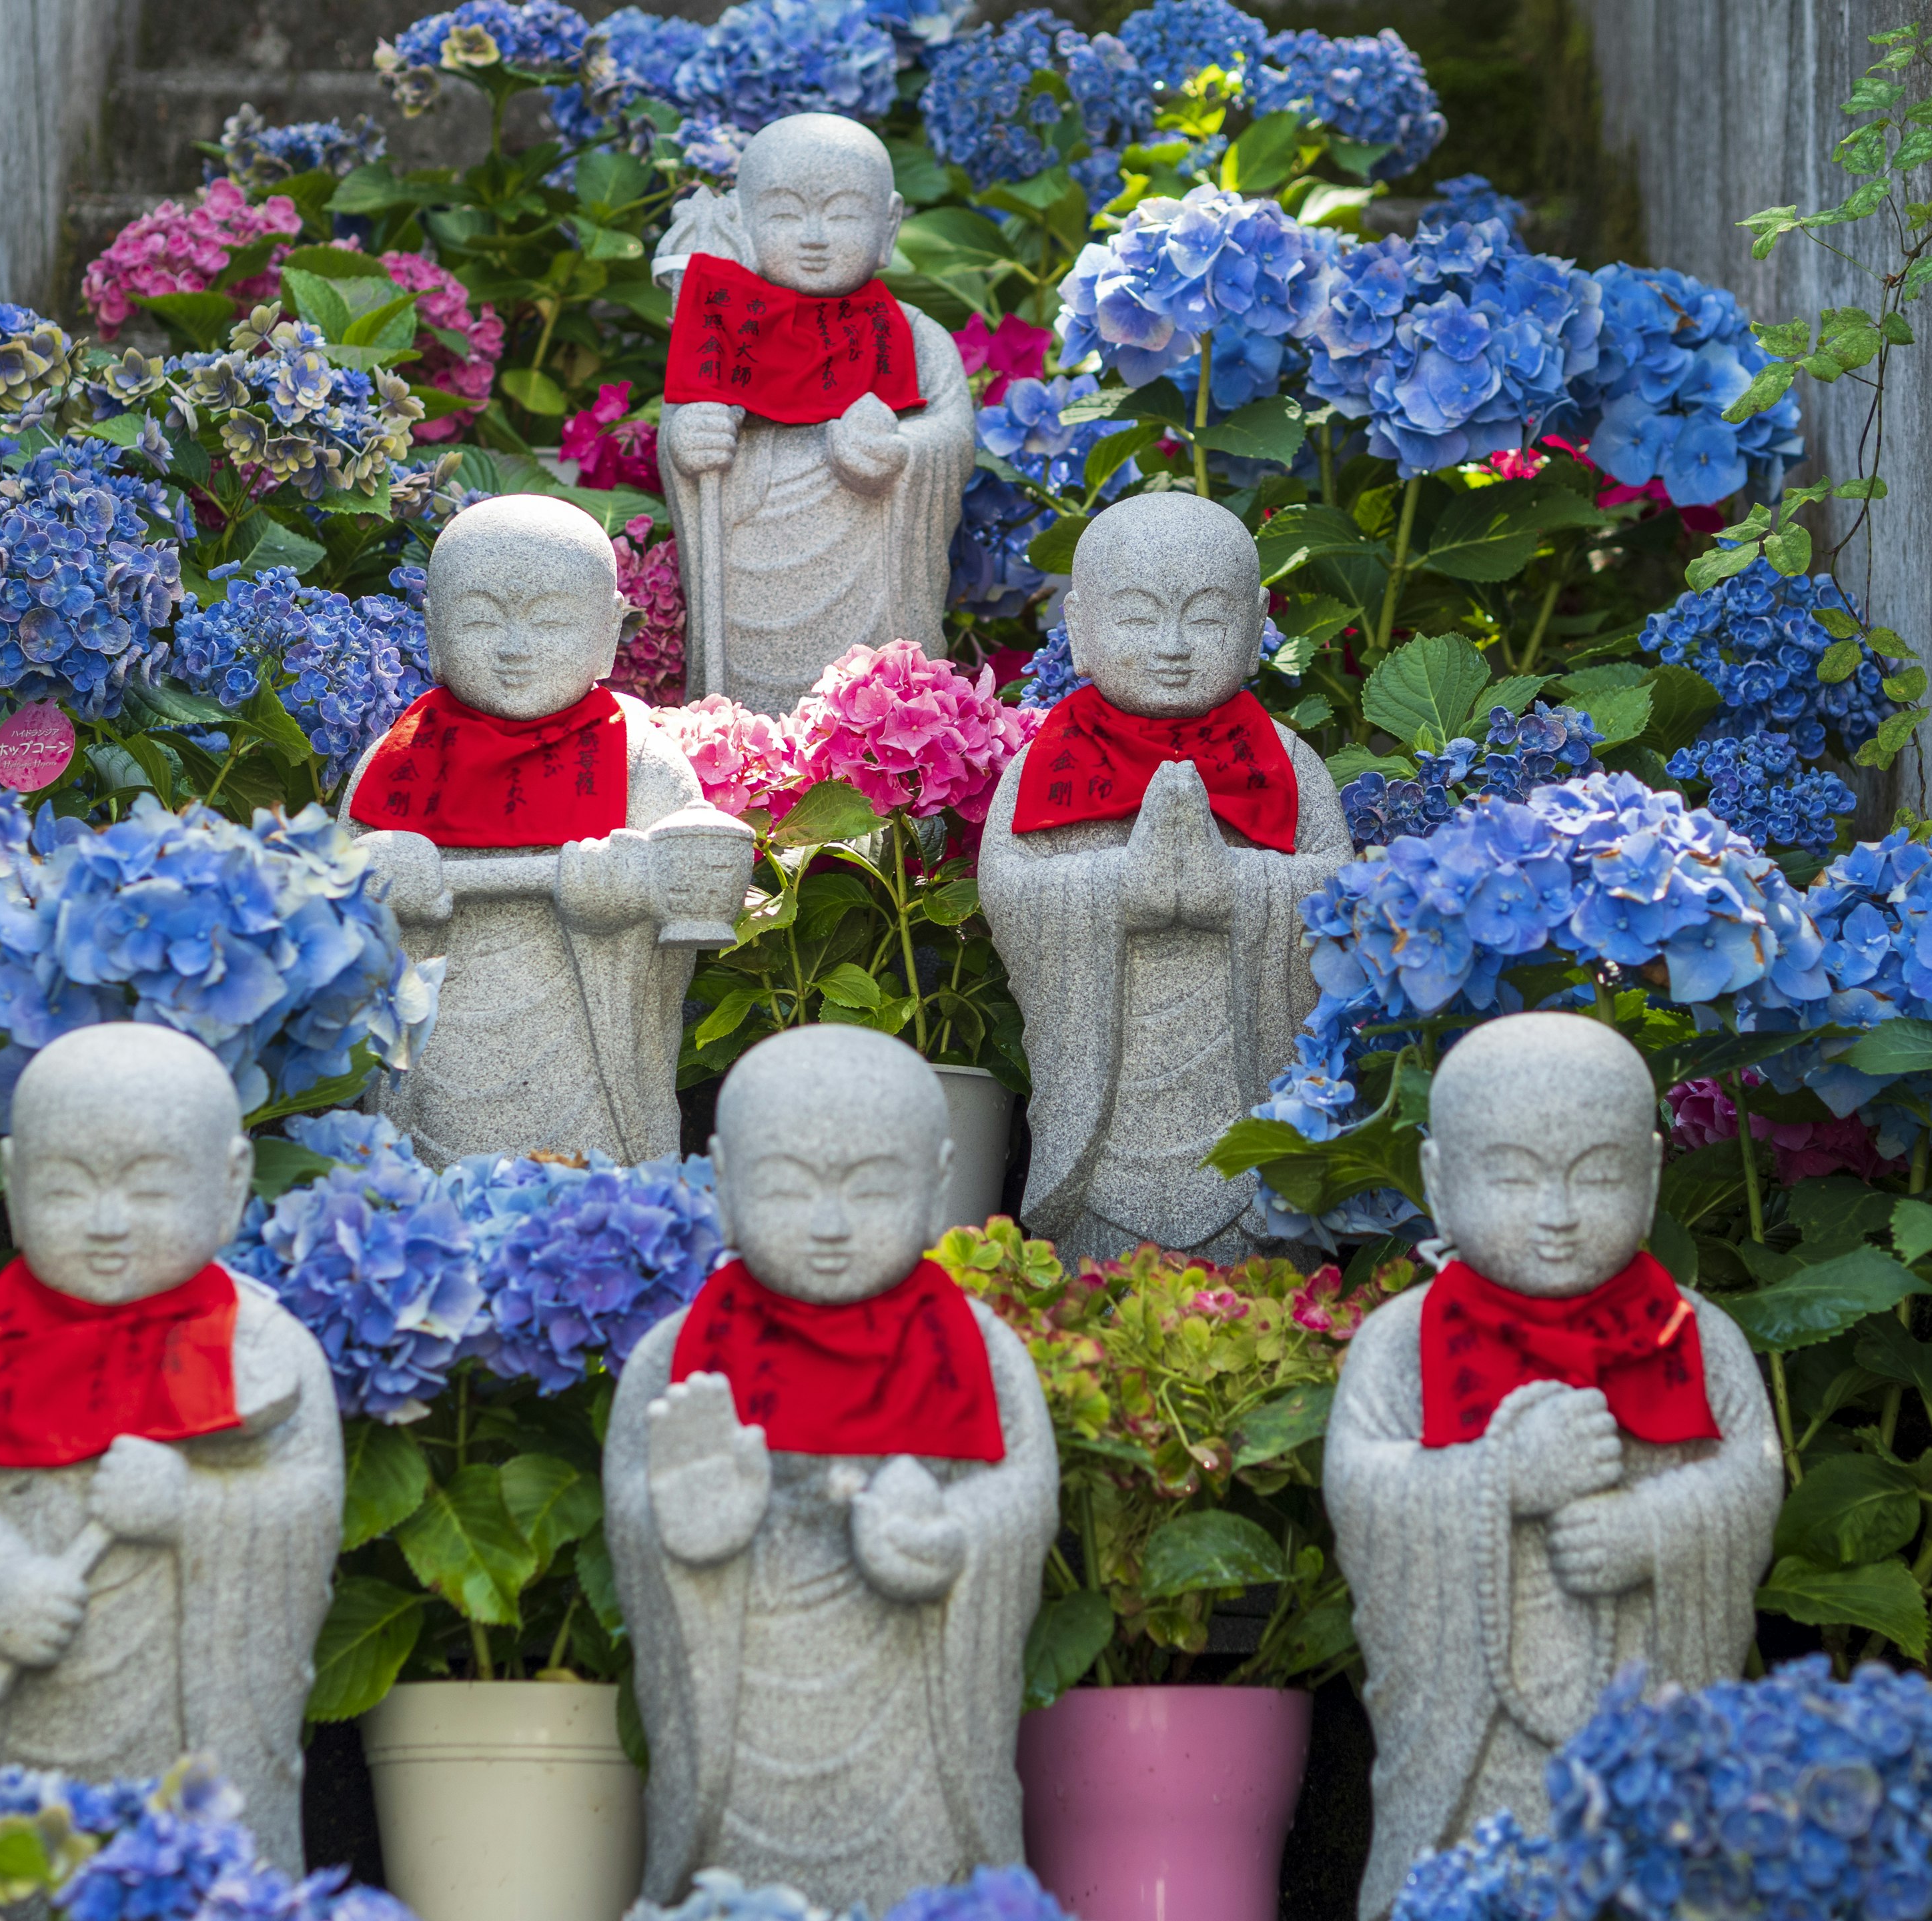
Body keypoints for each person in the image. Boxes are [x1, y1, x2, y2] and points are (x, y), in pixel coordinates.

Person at [1324, 1013, 1783, 1918]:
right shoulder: (1402, 1347)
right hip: (1474, 1745)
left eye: (1598, 1174)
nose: (1558, 1214)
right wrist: (1505, 1480)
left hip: (1647, 1717)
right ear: (1437, 1180)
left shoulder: (1695, 1339)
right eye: (1513, 1175)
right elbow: (1363, 1491)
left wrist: (1652, 1529)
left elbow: (1751, 1479)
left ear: (1651, 1178)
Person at [604, 1026, 1059, 1914]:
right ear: (723, 1181)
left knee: (922, 1875)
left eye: (872, 1188)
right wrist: (681, 1526)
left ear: (938, 1186)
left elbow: (1024, 1495)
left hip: (916, 1736)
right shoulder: (681, 1359)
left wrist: (952, 1537)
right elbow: (633, 1496)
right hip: (743, 1723)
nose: (829, 1226)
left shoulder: (976, 1353)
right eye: (785, 1186)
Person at [0, 1025, 342, 1868]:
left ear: (231, 1182)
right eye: (65, 1189)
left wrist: (191, 1507)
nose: (105, 1225)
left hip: (192, 1724)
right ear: (14, 1182)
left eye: (149, 1190)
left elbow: (306, 1504)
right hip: (25, 1716)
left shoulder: (265, 1355)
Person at [980, 491, 1352, 1261]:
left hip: (1246, 1077)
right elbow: (1008, 890)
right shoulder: (1050, 766)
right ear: (1079, 629)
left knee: (1267, 1269)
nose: (1175, 646)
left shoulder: (1281, 763)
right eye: (1141, 618)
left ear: (1256, 628)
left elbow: (1339, 892)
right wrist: (1119, 888)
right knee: (1098, 1273)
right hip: (1107, 1105)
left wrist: (1236, 888)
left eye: (1209, 619)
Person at [340, 494, 751, 1165]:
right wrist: (375, 884)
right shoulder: (397, 761)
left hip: (592, 1088)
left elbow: (695, 895)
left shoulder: (640, 760)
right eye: (479, 620)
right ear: (433, 628)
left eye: (552, 622)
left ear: (611, 632)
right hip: (435, 1069)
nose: (513, 650)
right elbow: (333, 909)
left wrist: (628, 900)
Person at [656, 113, 975, 712]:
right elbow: (684, 419)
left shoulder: (912, 334)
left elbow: (953, 434)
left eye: (844, 213)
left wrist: (901, 453)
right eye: (783, 213)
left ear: (889, 225)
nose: (814, 236)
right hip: (750, 588)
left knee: (878, 714)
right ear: (743, 222)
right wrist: (686, 441)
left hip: (875, 589)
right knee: (747, 722)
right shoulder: (724, 332)